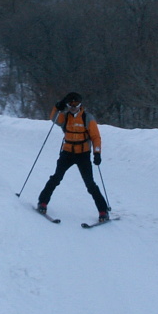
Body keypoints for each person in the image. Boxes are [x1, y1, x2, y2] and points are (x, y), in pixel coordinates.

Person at [37, 92, 110, 221]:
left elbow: (95, 137)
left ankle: (103, 211)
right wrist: (57, 106)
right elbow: (53, 118)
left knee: (90, 184)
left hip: (83, 154)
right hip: (67, 153)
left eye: (76, 104)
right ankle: (42, 202)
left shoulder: (87, 118)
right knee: (56, 178)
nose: (73, 107)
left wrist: (97, 153)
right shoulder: (64, 117)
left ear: (80, 104)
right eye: (70, 104)